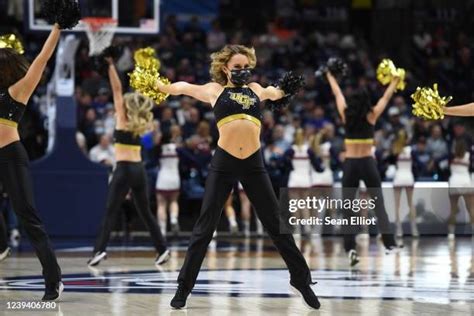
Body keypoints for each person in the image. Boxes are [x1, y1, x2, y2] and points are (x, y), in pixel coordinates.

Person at [153, 45, 320, 309]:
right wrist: (157, 84)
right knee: (205, 226)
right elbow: (181, 87)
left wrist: (290, 86)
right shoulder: (214, 90)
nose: (243, 72)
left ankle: (301, 279)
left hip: (254, 163)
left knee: (276, 224)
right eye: (237, 68)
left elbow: (276, 93)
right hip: (224, 163)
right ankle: (184, 287)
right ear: (224, 68)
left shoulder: (255, 89)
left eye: (246, 67)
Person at [0, 0, 81, 299]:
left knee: (27, 216)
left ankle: (53, 279)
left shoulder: (17, 91)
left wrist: (58, 26)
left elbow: (43, 59)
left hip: (10, 155)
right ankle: (2, 245)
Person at [87, 56, 170, 267]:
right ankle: (162, 250)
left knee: (110, 211)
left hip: (123, 169)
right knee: (145, 212)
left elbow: (116, 88)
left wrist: (110, 65)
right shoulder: (141, 121)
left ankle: (99, 250)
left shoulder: (123, 117)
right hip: (139, 169)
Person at [326, 68, 401, 267]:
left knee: (348, 209)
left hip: (350, 164)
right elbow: (385, 98)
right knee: (379, 204)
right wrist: (395, 81)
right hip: (367, 163)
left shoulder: (345, 114)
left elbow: (338, 94)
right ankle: (389, 244)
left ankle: (350, 248)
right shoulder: (372, 115)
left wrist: (330, 76)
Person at [391, 129, 418, 237]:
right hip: (408, 176)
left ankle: (399, 230)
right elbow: (417, 164)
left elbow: (388, 161)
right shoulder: (411, 150)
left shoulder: (395, 150)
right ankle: (414, 229)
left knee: (397, 205)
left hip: (399, 177)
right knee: (410, 203)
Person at [156, 125, 182, 235]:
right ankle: (174, 219)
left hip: (162, 177)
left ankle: (162, 230)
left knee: (161, 204)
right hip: (174, 177)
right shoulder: (177, 148)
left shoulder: (158, 149)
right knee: (174, 201)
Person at [447, 140, 474, 240]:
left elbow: (446, 168)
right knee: (471, 209)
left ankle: (451, 233)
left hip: (454, 182)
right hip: (466, 182)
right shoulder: (468, 156)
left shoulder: (451, 156)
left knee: (453, 209)